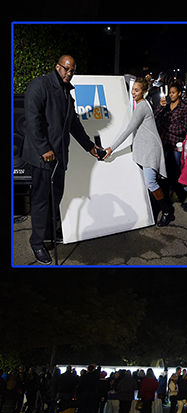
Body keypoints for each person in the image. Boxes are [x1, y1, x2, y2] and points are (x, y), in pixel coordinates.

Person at [22, 54, 101, 264]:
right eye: (66, 69)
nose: (69, 73)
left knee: (54, 199)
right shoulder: (40, 85)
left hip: (59, 157)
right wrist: (43, 148)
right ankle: (37, 243)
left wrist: (89, 146)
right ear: (58, 67)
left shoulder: (67, 92)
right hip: (42, 157)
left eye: (72, 70)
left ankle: (48, 233)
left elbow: (73, 124)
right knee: (40, 201)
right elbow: (32, 119)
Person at [103, 77, 174, 227]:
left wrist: (111, 148)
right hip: (145, 148)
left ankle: (167, 212)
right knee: (147, 182)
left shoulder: (142, 106)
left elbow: (128, 130)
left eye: (137, 90)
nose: (133, 92)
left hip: (150, 150)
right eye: (132, 89)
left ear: (144, 91)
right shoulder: (141, 104)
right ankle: (155, 210)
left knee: (150, 182)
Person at [154, 81, 187, 202]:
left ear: (179, 93)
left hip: (176, 145)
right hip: (165, 142)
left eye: (174, 93)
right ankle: (167, 190)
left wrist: (168, 127)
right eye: (170, 93)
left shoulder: (184, 108)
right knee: (165, 169)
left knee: (176, 170)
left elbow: (183, 127)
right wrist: (160, 106)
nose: (171, 95)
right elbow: (156, 118)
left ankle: (177, 192)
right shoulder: (167, 106)